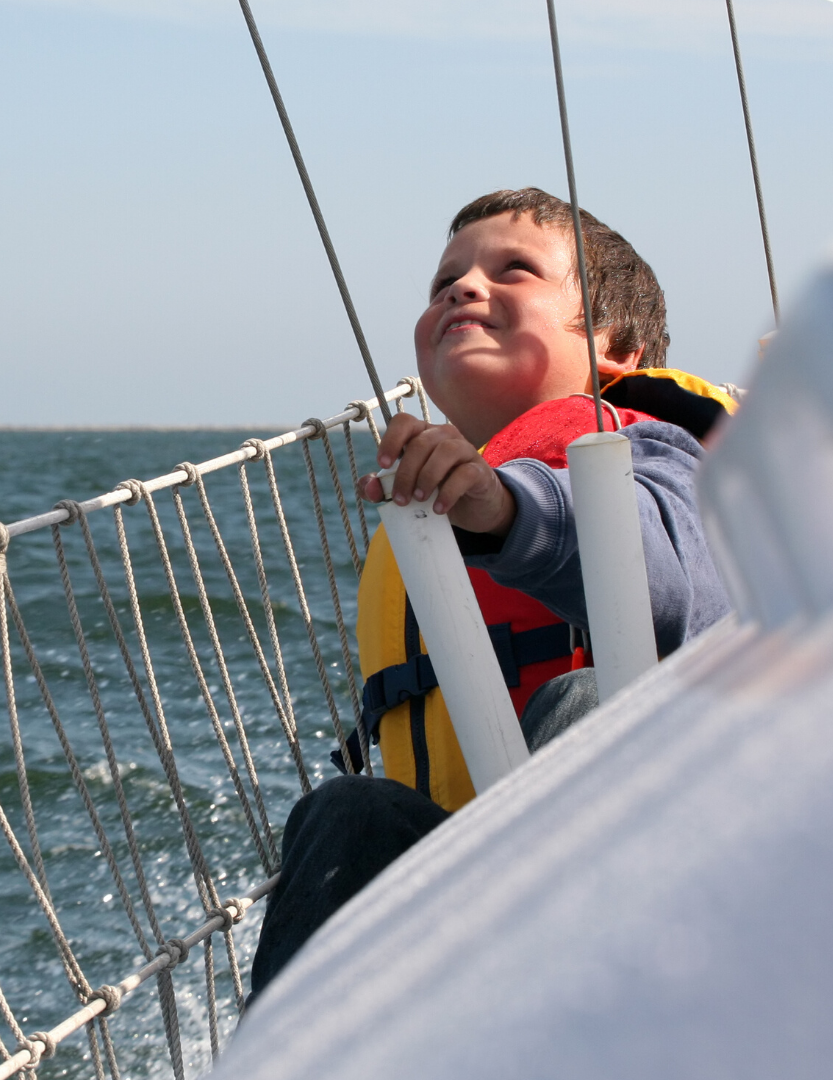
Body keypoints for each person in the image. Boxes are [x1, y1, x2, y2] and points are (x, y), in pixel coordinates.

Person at [248, 188, 732, 999]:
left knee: (587, 700)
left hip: (663, 891)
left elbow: (680, 576)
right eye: (444, 284)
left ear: (617, 345)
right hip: (458, 909)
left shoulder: (660, 454)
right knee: (345, 813)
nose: (464, 290)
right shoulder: (417, 520)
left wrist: (507, 512)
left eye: (514, 270)